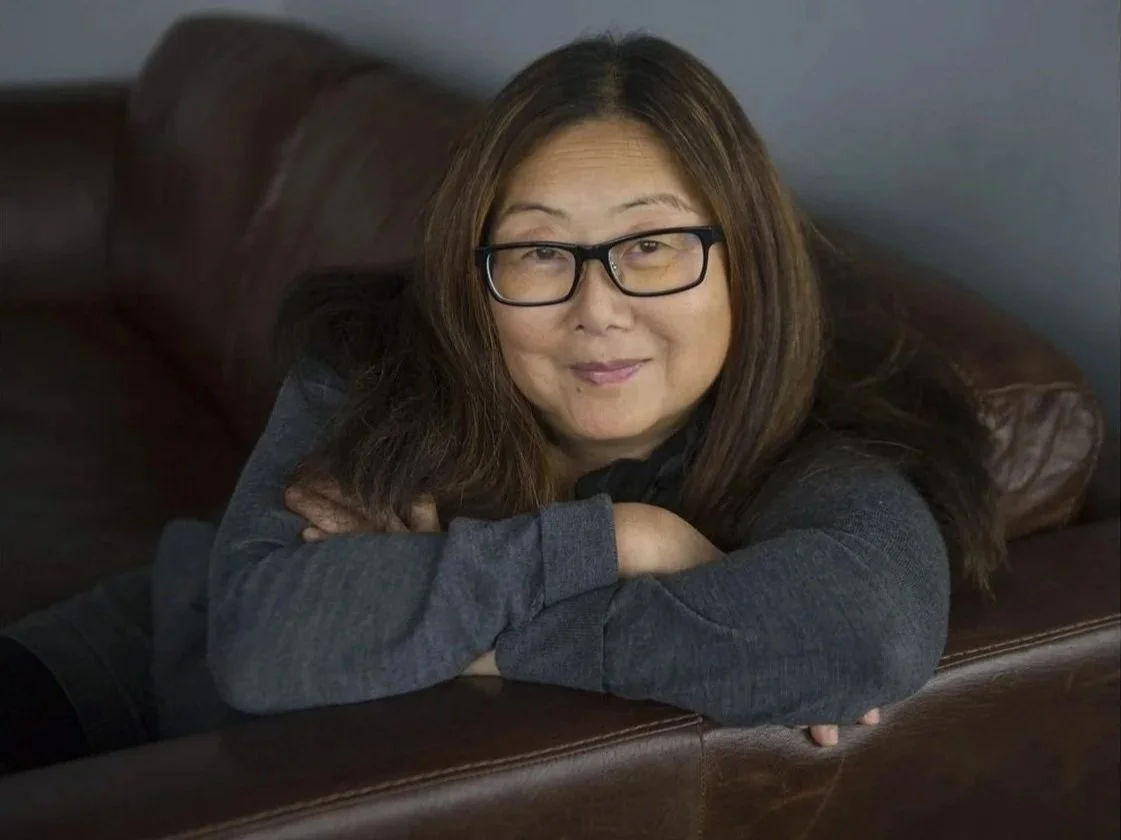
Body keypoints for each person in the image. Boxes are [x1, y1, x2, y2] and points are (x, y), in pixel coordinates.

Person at [0, 32, 1003, 775]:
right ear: (474, 274)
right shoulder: (381, 357)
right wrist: (623, 540)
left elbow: (858, 635)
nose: (596, 309)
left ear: (746, 262)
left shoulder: (821, 447)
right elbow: (262, 642)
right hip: (125, 671)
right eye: (536, 252)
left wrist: (447, 636)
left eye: (652, 245)